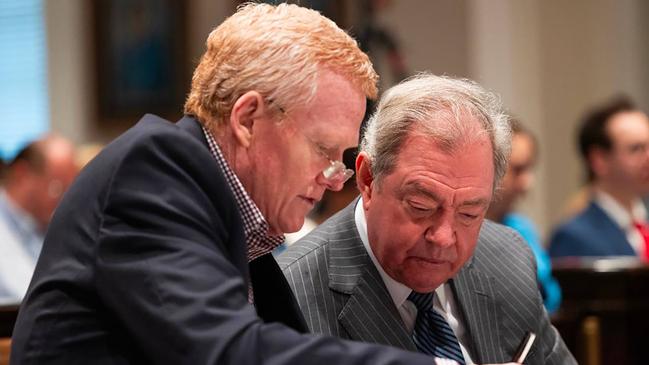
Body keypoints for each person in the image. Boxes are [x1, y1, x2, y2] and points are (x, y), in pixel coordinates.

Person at [10, 4, 499, 365]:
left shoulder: (242, 222)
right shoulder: (155, 171)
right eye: (324, 151)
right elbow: (228, 352)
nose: (333, 180)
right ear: (247, 119)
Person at [279, 74, 576, 365]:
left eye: (469, 214)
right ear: (368, 179)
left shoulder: (506, 258)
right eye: (421, 206)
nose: (444, 237)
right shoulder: (288, 298)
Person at [548, 96, 649, 259]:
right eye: (636, 149)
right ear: (599, 160)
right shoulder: (574, 238)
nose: (648, 157)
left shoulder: (642, 225)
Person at [485, 119, 562, 314]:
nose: (527, 183)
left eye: (530, 169)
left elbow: (550, 297)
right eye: (518, 170)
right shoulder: (460, 234)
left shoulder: (521, 227)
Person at [0, 135, 77, 304]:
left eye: (70, 189)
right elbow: (25, 296)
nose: (64, 199)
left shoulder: (50, 224)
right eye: (57, 187)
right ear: (22, 174)